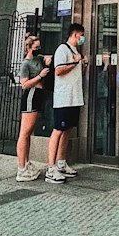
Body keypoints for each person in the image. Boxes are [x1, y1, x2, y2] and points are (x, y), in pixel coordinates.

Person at [45, 22, 87, 183]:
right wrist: (75, 62)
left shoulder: (76, 51)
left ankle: (61, 163)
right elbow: (59, 71)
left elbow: (77, 74)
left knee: (67, 130)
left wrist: (83, 65)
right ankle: (51, 168)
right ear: (76, 34)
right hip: (63, 98)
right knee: (58, 131)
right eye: (81, 35)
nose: (82, 38)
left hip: (74, 97)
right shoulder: (62, 49)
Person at [15, 38, 49, 181]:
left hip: (39, 95)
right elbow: (24, 84)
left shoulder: (38, 59)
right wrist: (40, 76)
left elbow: (48, 58)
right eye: (36, 47)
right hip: (31, 95)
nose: (38, 49)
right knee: (24, 132)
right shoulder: (26, 64)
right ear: (29, 47)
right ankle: (21, 168)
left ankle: (27, 163)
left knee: (28, 133)